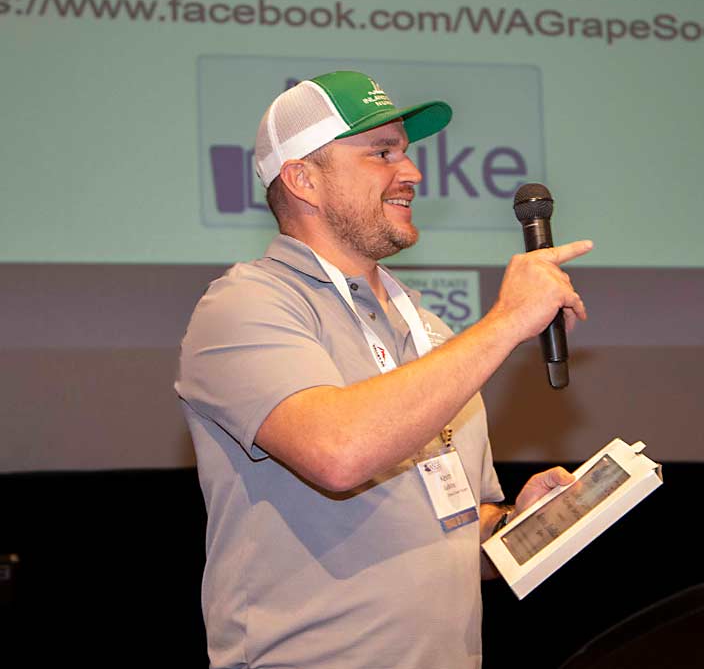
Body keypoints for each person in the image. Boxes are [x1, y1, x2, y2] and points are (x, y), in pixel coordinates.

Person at [175, 70, 592, 668]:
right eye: (381, 153)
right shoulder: (245, 307)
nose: (414, 172)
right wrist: (504, 323)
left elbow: (455, 538)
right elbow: (338, 452)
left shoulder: (428, 331)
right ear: (302, 179)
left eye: (406, 151)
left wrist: (520, 523)